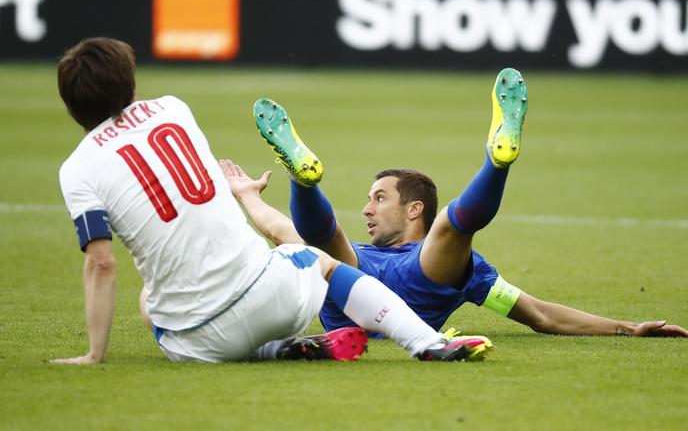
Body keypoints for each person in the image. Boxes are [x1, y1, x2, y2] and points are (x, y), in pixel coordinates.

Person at [51, 37, 495, 365]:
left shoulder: (77, 169)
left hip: (196, 341)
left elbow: (103, 263)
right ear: (130, 86)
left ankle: (276, 351)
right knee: (315, 258)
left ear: (71, 108)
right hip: (273, 297)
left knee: (150, 302)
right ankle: (426, 343)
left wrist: (95, 354)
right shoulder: (173, 108)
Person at [225, 69, 688, 339]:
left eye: (379, 198)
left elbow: (277, 228)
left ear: (412, 210)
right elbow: (541, 315)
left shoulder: (360, 257)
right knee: (450, 230)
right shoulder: (468, 271)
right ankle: (497, 162)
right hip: (418, 282)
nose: (366, 208)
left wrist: (249, 199)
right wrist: (625, 328)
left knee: (324, 247)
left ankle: (303, 180)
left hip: (356, 294)